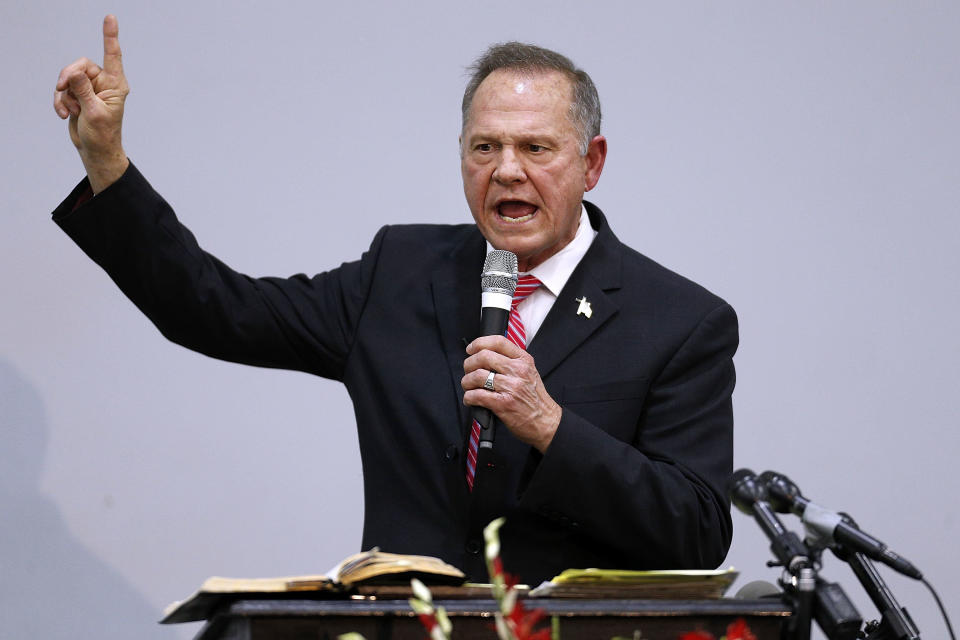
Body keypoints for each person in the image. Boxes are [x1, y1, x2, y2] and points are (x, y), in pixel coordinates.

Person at [52, 15, 738, 585]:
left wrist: (552, 427)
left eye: (535, 147)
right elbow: (210, 308)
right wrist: (107, 162)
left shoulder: (677, 321)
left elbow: (699, 532)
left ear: (591, 163)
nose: (505, 169)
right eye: (484, 146)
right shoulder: (401, 272)